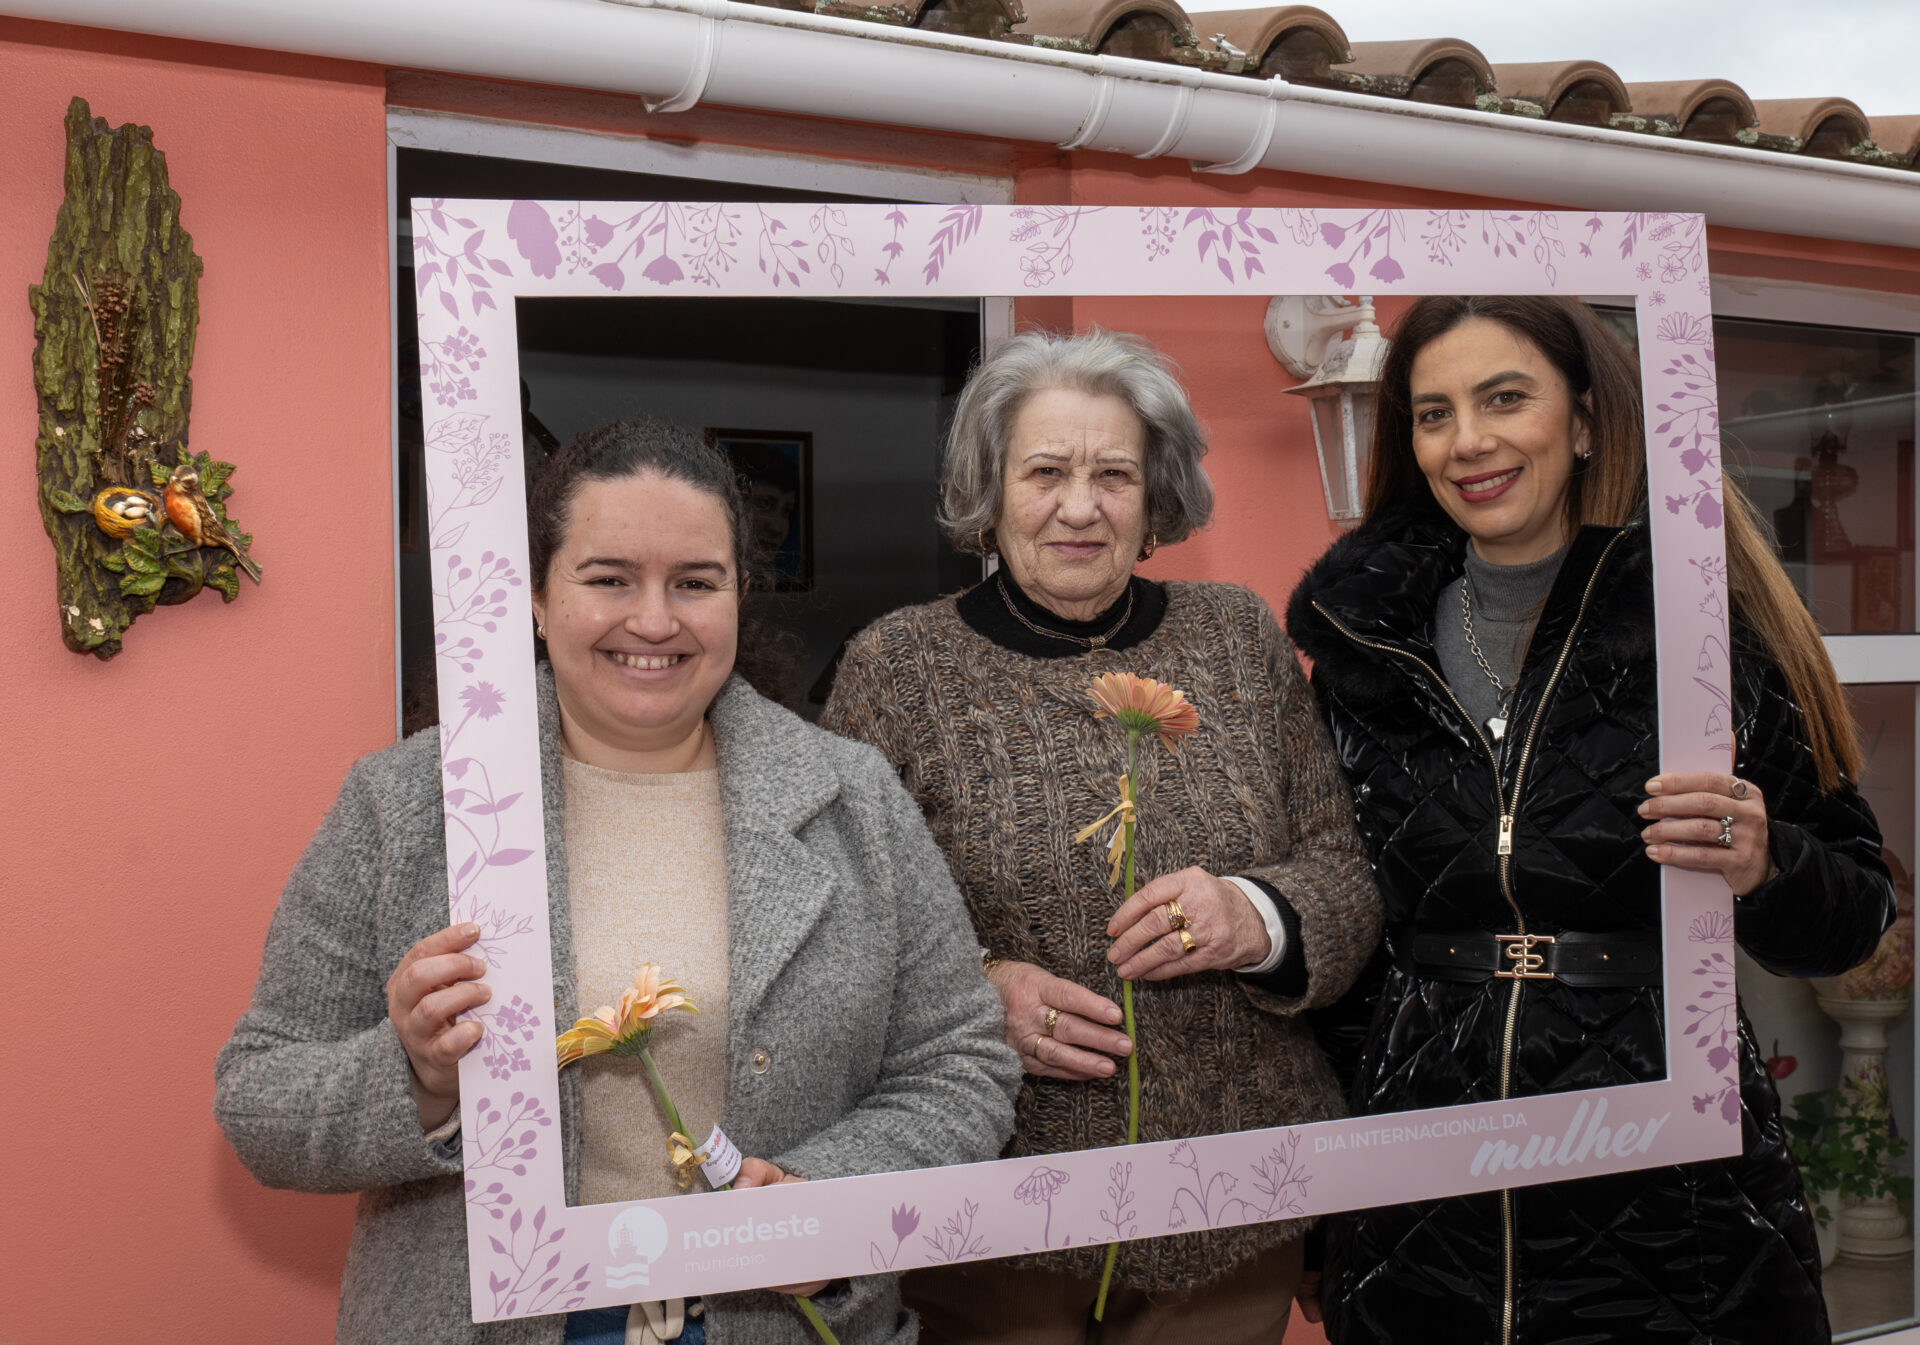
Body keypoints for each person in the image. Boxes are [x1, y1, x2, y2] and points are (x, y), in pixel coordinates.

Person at [215, 418, 1021, 1345]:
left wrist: (824, 1196)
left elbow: (961, 1063)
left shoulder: (856, 800)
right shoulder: (405, 805)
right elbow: (260, 1097)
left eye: (696, 582)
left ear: (740, 596)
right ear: (536, 597)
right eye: (608, 579)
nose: (654, 620)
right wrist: (420, 1078)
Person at [1285, 296, 1896, 1344]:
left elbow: (1855, 911)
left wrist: (1767, 861)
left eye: (1503, 399)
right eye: (1433, 413)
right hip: (1420, 1205)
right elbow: (1350, 937)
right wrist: (1323, 1207)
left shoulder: (1706, 628)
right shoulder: (1361, 649)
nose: (1467, 440)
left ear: (1582, 421)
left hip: (1671, 1198)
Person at [822, 329, 1382, 1343]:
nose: (1080, 507)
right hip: (993, 1219)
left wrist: (1254, 915)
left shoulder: (1238, 636)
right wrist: (973, 995)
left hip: (1231, 1208)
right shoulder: (897, 669)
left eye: (1113, 474)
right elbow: (836, 927)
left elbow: (1344, 874)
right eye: (1045, 472)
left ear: (1154, 494)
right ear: (990, 491)